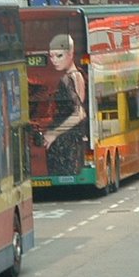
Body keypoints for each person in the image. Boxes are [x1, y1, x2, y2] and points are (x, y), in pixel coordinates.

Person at [42, 34, 88, 176]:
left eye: (59, 56)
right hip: (72, 140)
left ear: (70, 54)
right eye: (51, 56)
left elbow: (79, 113)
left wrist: (53, 134)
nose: (54, 60)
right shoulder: (78, 74)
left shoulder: (67, 79)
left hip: (65, 144)